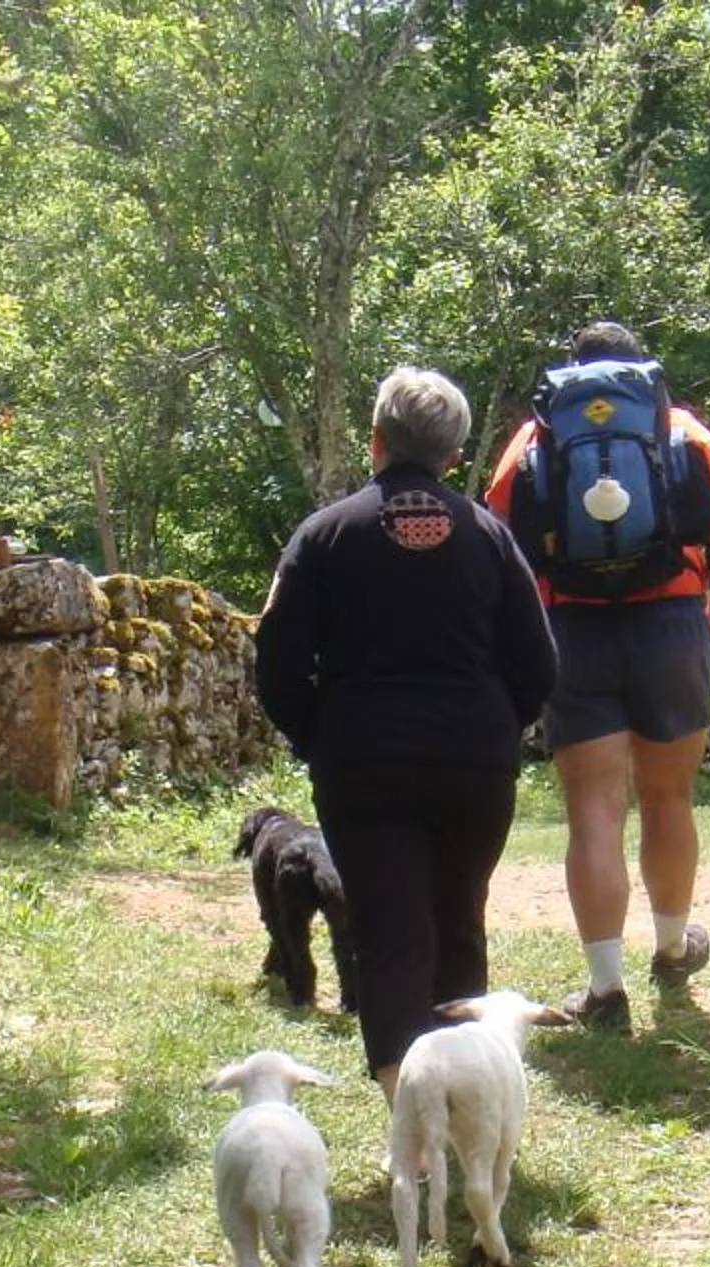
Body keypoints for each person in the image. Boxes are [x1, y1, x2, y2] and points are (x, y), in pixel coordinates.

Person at [254, 366, 558, 1099]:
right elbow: (539, 663)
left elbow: (278, 662)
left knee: (387, 930)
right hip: (474, 762)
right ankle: (462, 1102)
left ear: (376, 441)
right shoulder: (490, 537)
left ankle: (405, 1107)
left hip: (362, 760)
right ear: (454, 455)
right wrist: (495, 731)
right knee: (459, 922)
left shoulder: (324, 535)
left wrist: (320, 734)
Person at [485, 321, 710, 1035]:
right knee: (669, 798)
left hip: (573, 632)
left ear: (569, 373)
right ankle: (670, 950)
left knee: (594, 811)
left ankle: (605, 990)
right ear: (644, 370)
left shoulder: (536, 439)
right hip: (671, 624)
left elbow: (498, 552)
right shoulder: (685, 432)